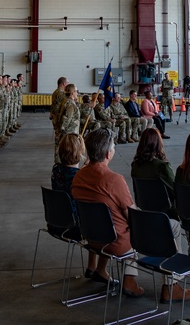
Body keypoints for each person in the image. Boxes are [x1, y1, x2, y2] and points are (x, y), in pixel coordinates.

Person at [71, 128, 144, 298]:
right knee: (134, 227)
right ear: (107, 154)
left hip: (91, 237)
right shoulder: (114, 180)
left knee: (106, 216)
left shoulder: (79, 176)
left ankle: (100, 269)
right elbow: (132, 216)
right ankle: (130, 281)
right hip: (115, 242)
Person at [128, 128, 190, 304]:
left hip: (145, 215)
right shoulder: (161, 166)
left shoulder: (135, 166)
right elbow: (176, 192)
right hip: (165, 216)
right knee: (175, 230)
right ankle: (171, 285)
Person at [52, 133, 107, 280]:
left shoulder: (56, 171)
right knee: (104, 222)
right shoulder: (81, 178)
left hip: (56, 222)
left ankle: (91, 266)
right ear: (80, 152)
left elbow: (70, 173)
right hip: (75, 226)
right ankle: (100, 269)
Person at [130, 127, 177, 219]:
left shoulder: (135, 165)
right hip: (166, 211)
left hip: (145, 207)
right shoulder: (162, 166)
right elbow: (175, 190)